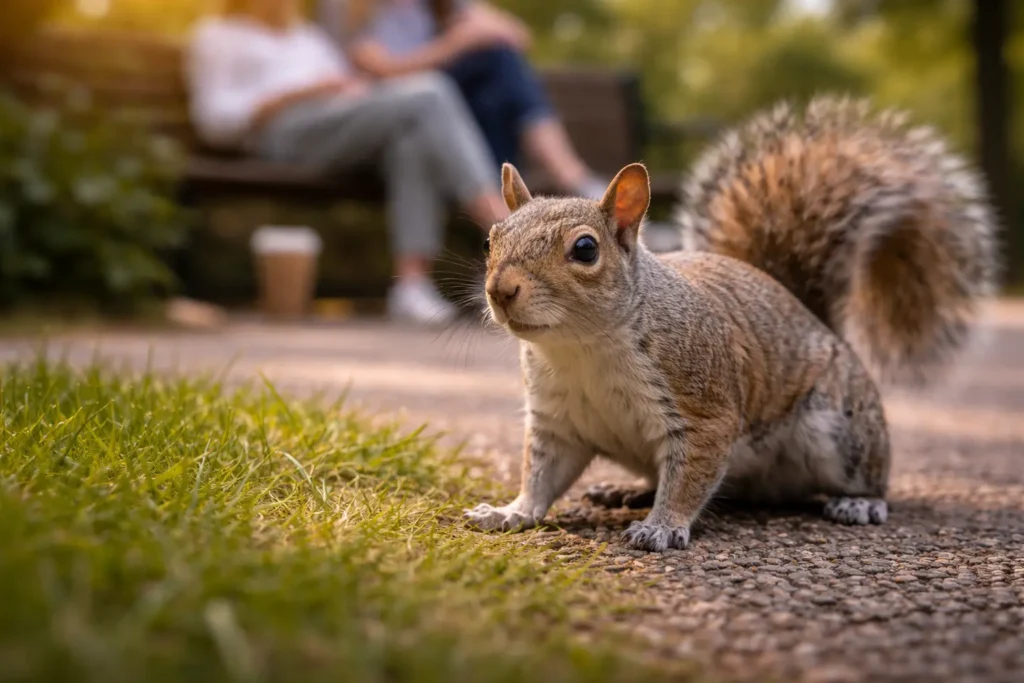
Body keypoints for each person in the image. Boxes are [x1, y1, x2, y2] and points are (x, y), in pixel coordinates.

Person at [186, 0, 509, 325]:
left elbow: (345, 84)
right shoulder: (218, 36)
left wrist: (355, 91)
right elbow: (215, 121)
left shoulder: (307, 36)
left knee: (410, 141)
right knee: (431, 92)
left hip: (338, 125)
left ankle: (411, 286)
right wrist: (297, 94)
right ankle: (505, 228)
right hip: (281, 135)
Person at [320, 0, 607, 199]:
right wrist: (456, 42)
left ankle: (567, 179)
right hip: (401, 124)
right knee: (462, 80)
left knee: (499, 65)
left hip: (469, 123)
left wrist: (482, 28)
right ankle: (572, 178)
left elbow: (518, 37)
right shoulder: (354, 9)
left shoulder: (441, 5)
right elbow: (382, 71)